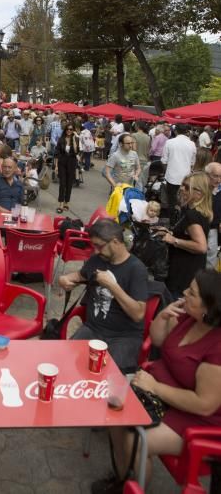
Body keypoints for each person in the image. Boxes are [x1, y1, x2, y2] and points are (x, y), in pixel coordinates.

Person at [95, 269, 221, 493]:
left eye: (191, 293)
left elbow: (205, 404)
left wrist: (155, 387)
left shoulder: (217, 347)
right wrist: (163, 317)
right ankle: (124, 479)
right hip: (157, 391)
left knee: (136, 440)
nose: (184, 293)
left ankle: (136, 485)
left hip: (194, 416)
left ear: (208, 308)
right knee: (112, 411)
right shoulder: (186, 317)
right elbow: (158, 340)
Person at [59, 219, 148, 372]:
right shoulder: (97, 260)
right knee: (66, 363)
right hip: (93, 329)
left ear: (115, 242)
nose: (96, 251)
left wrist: (112, 286)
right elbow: (80, 275)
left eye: (99, 246)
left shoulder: (136, 269)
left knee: (110, 379)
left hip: (123, 336)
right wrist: (65, 279)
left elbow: (139, 314)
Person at [159, 171, 212, 298]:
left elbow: (201, 246)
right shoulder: (198, 211)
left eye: (187, 187)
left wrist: (174, 240)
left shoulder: (192, 215)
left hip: (182, 272)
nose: (182, 188)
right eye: (183, 184)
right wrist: (170, 233)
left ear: (199, 193)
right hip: (190, 269)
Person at [161, 123, 196, 226]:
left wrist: (167, 171)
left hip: (172, 177)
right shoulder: (192, 144)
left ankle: (172, 224)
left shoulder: (170, 142)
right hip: (185, 177)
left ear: (175, 131)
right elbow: (192, 164)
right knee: (185, 201)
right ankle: (182, 224)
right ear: (186, 132)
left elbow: (164, 161)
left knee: (172, 201)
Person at [55, 123, 80, 213]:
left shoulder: (76, 139)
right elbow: (57, 153)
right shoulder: (61, 139)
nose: (69, 131)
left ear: (73, 130)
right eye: (68, 129)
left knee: (69, 184)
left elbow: (77, 151)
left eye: (71, 129)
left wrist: (74, 139)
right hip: (62, 162)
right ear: (65, 130)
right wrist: (56, 166)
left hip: (71, 163)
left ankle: (66, 202)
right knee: (62, 183)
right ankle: (61, 203)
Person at [205, 162, 221, 269]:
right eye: (216, 176)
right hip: (198, 226)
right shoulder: (200, 188)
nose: (219, 180)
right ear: (207, 175)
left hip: (213, 229)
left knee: (211, 260)